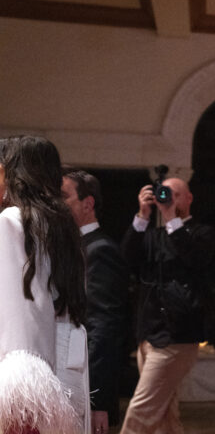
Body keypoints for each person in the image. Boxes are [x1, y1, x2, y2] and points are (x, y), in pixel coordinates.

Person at [0, 136, 89, 433]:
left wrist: (19, 402)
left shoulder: (11, 221)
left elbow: (19, 317)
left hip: (28, 380)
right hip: (62, 368)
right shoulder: (60, 225)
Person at [120, 177, 215, 434]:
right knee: (165, 414)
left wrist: (171, 217)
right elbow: (128, 259)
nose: (169, 198)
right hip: (148, 335)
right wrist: (143, 215)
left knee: (141, 410)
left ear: (188, 198)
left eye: (175, 194)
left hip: (178, 336)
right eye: (165, 193)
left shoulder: (202, 233)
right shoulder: (153, 235)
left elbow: (194, 258)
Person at [62, 169, 130, 433]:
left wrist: (98, 400)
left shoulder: (100, 250)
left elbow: (103, 327)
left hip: (87, 386)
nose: (56, 204)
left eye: (63, 196)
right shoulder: (77, 246)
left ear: (87, 204)